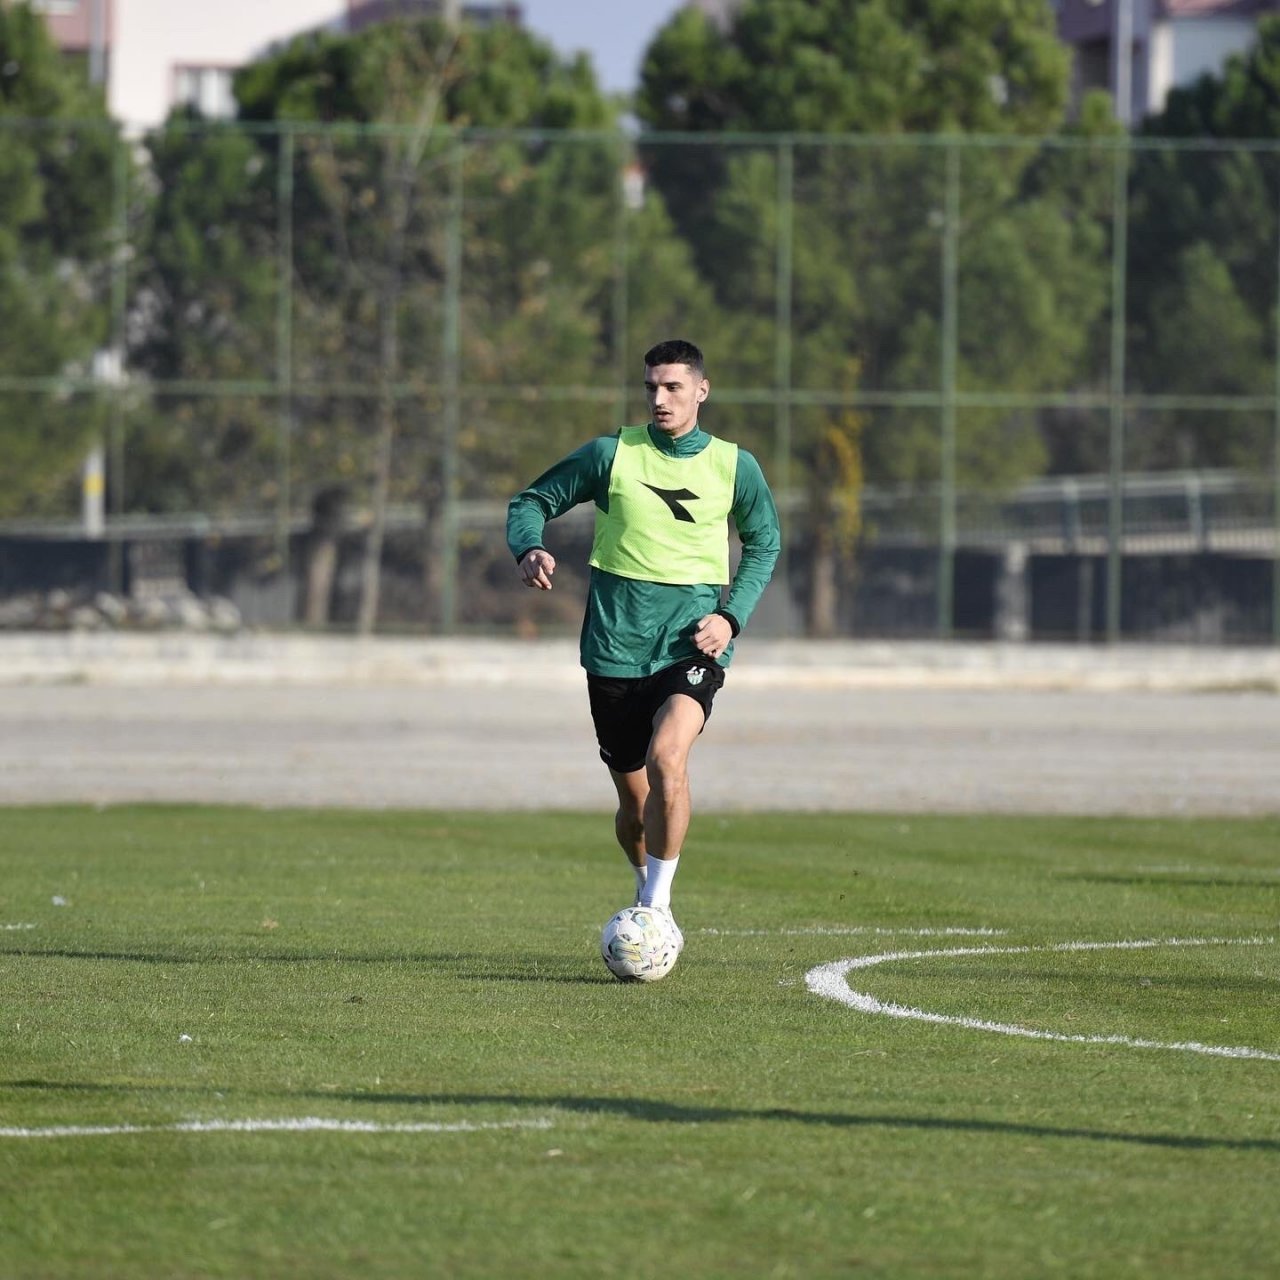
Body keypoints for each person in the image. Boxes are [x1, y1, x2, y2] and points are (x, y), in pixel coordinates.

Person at [506, 339, 781, 956]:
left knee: (667, 760)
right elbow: (531, 501)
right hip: (613, 646)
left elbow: (764, 545)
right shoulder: (611, 453)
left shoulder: (737, 466)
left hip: (692, 643)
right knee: (634, 804)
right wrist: (529, 547)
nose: (660, 398)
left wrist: (730, 618)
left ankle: (656, 912)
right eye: (652, 387)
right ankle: (643, 886)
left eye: (674, 387)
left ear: (701, 391)